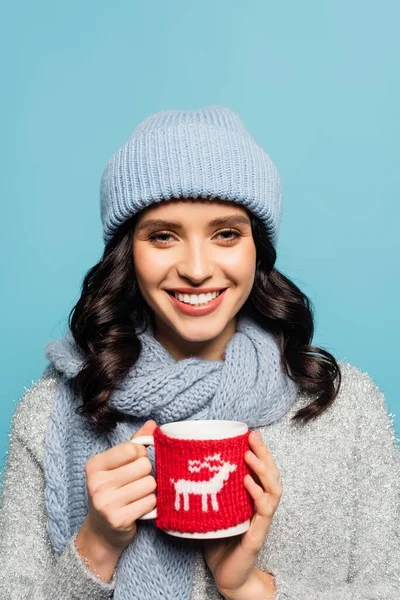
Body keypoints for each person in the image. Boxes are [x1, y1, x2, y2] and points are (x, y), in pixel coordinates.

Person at [0, 105, 399, 600]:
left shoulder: (344, 407)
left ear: (259, 249)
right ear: (129, 252)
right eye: (163, 236)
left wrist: (252, 589)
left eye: (226, 234)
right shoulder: (51, 414)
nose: (195, 268)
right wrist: (96, 546)